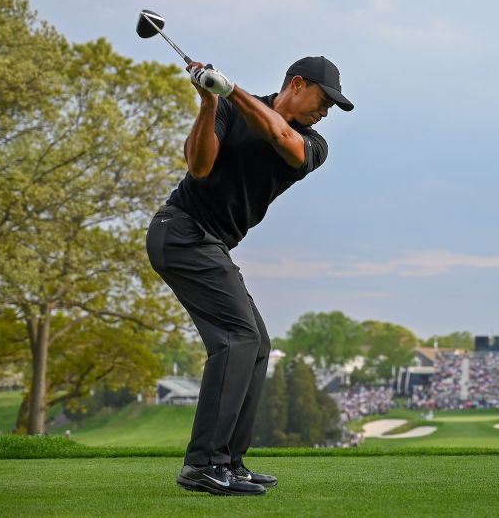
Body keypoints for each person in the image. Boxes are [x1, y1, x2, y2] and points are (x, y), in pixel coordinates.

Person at [146, 56, 354, 496]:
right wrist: (208, 103)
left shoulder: (312, 144)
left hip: (208, 243)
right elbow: (199, 167)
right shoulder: (223, 108)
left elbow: (280, 135)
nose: (327, 111)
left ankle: (229, 462)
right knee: (237, 338)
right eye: (325, 99)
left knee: (257, 344)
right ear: (297, 84)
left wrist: (228, 89)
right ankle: (202, 463)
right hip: (180, 231)